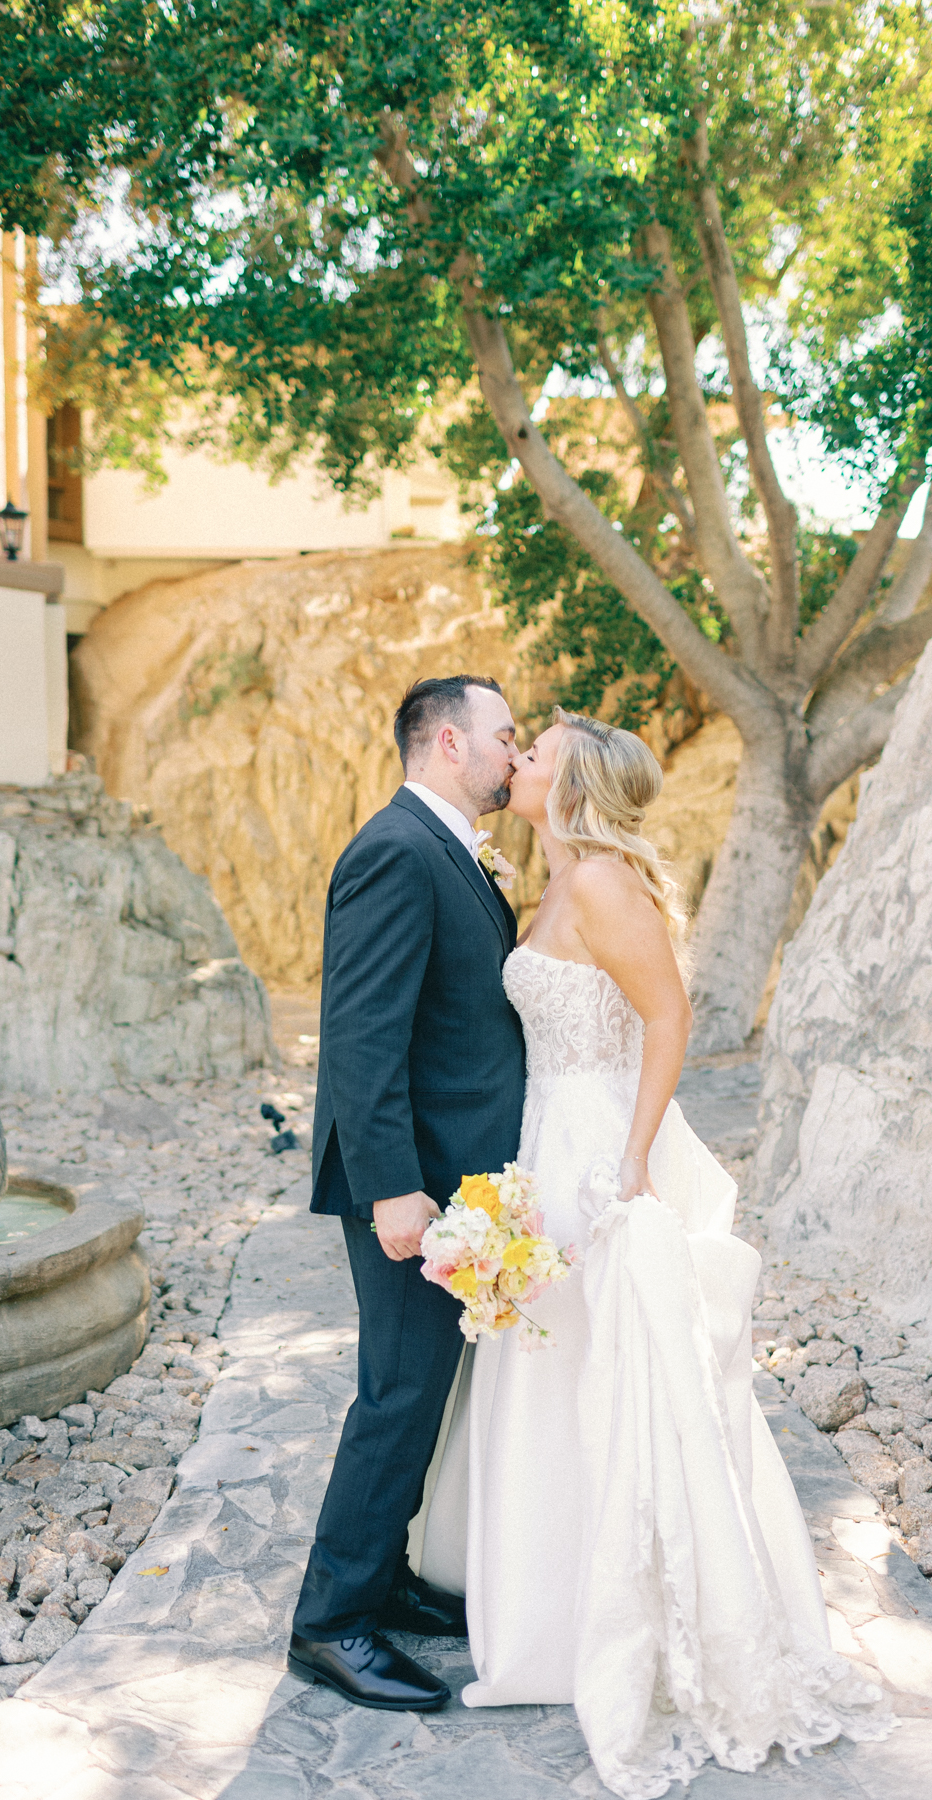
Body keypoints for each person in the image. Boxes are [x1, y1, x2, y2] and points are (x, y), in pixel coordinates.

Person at [413, 708, 893, 1796]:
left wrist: (629, 1160)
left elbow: (666, 1018)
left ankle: (614, 1623)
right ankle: (547, 1616)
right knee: (549, 1367)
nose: (516, 762)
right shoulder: (554, 879)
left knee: (609, 1371)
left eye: (533, 755)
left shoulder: (598, 886)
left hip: (599, 1149)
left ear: (571, 782)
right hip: (546, 1140)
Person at [287, 674, 525, 1713]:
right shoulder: (395, 851)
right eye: (503, 737)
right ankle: (330, 1623)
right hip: (412, 1182)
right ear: (444, 744)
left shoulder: (445, 849)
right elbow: (363, 1037)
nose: (514, 755)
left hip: (453, 1177)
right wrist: (393, 1191)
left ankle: (379, 1580)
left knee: (421, 1393)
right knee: (397, 1395)